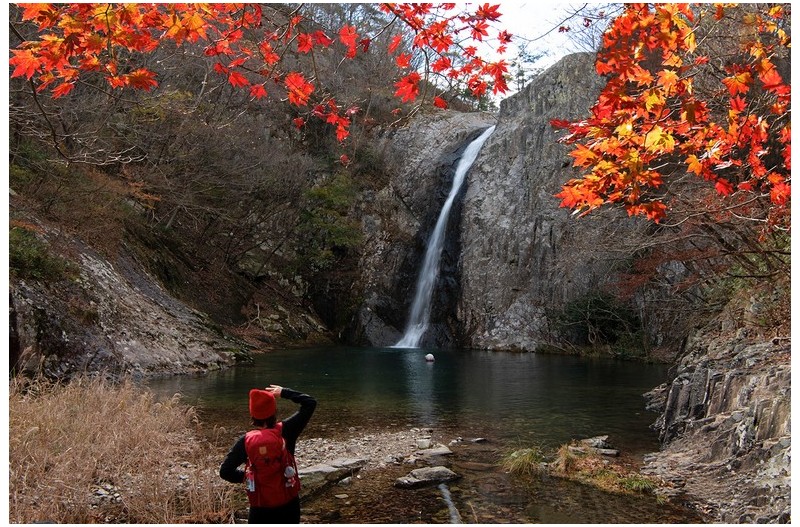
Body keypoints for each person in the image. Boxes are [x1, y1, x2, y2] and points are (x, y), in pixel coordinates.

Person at [220, 384, 316, 524]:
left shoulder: (246, 441)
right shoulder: (287, 430)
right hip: (289, 503)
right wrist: (284, 392)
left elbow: (225, 472)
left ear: (253, 414)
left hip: (260, 507)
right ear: (274, 411)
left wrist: (247, 478)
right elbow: (310, 403)